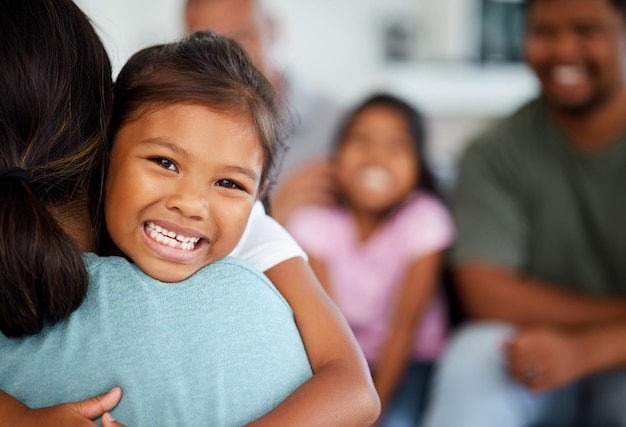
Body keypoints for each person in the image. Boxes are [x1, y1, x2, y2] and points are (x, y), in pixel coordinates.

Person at [0, 2, 380, 425]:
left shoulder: (255, 232)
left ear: (259, 194)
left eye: (230, 184)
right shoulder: (41, 219)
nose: (192, 204)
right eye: (165, 163)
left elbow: (355, 391)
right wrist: (20, 418)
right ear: (104, 154)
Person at [422, 0, 626, 426]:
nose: (564, 50)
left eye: (587, 30)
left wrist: (588, 348)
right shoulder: (494, 151)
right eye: (544, 32)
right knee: (474, 358)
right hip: (533, 348)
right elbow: (485, 291)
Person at [286, 93, 454, 427]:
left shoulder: (425, 220)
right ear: (336, 157)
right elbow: (329, 331)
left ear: (419, 165)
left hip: (408, 361)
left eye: (396, 146)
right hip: (339, 355)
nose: (376, 156)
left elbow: (403, 331)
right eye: (361, 140)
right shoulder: (314, 224)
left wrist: (372, 410)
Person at [184, 0, 343, 224]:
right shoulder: (183, 129)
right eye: (208, 45)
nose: (229, 57)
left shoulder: (340, 124)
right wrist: (269, 216)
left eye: (242, 36)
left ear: (272, 29)